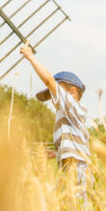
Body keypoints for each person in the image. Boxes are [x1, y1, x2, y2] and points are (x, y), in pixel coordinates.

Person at [19, 43, 91, 198]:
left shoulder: (71, 105)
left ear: (72, 92)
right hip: (69, 167)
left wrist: (30, 57)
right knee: (66, 207)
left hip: (75, 168)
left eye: (54, 93)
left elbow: (49, 80)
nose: (53, 99)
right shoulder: (68, 114)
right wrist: (56, 152)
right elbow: (75, 145)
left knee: (76, 207)